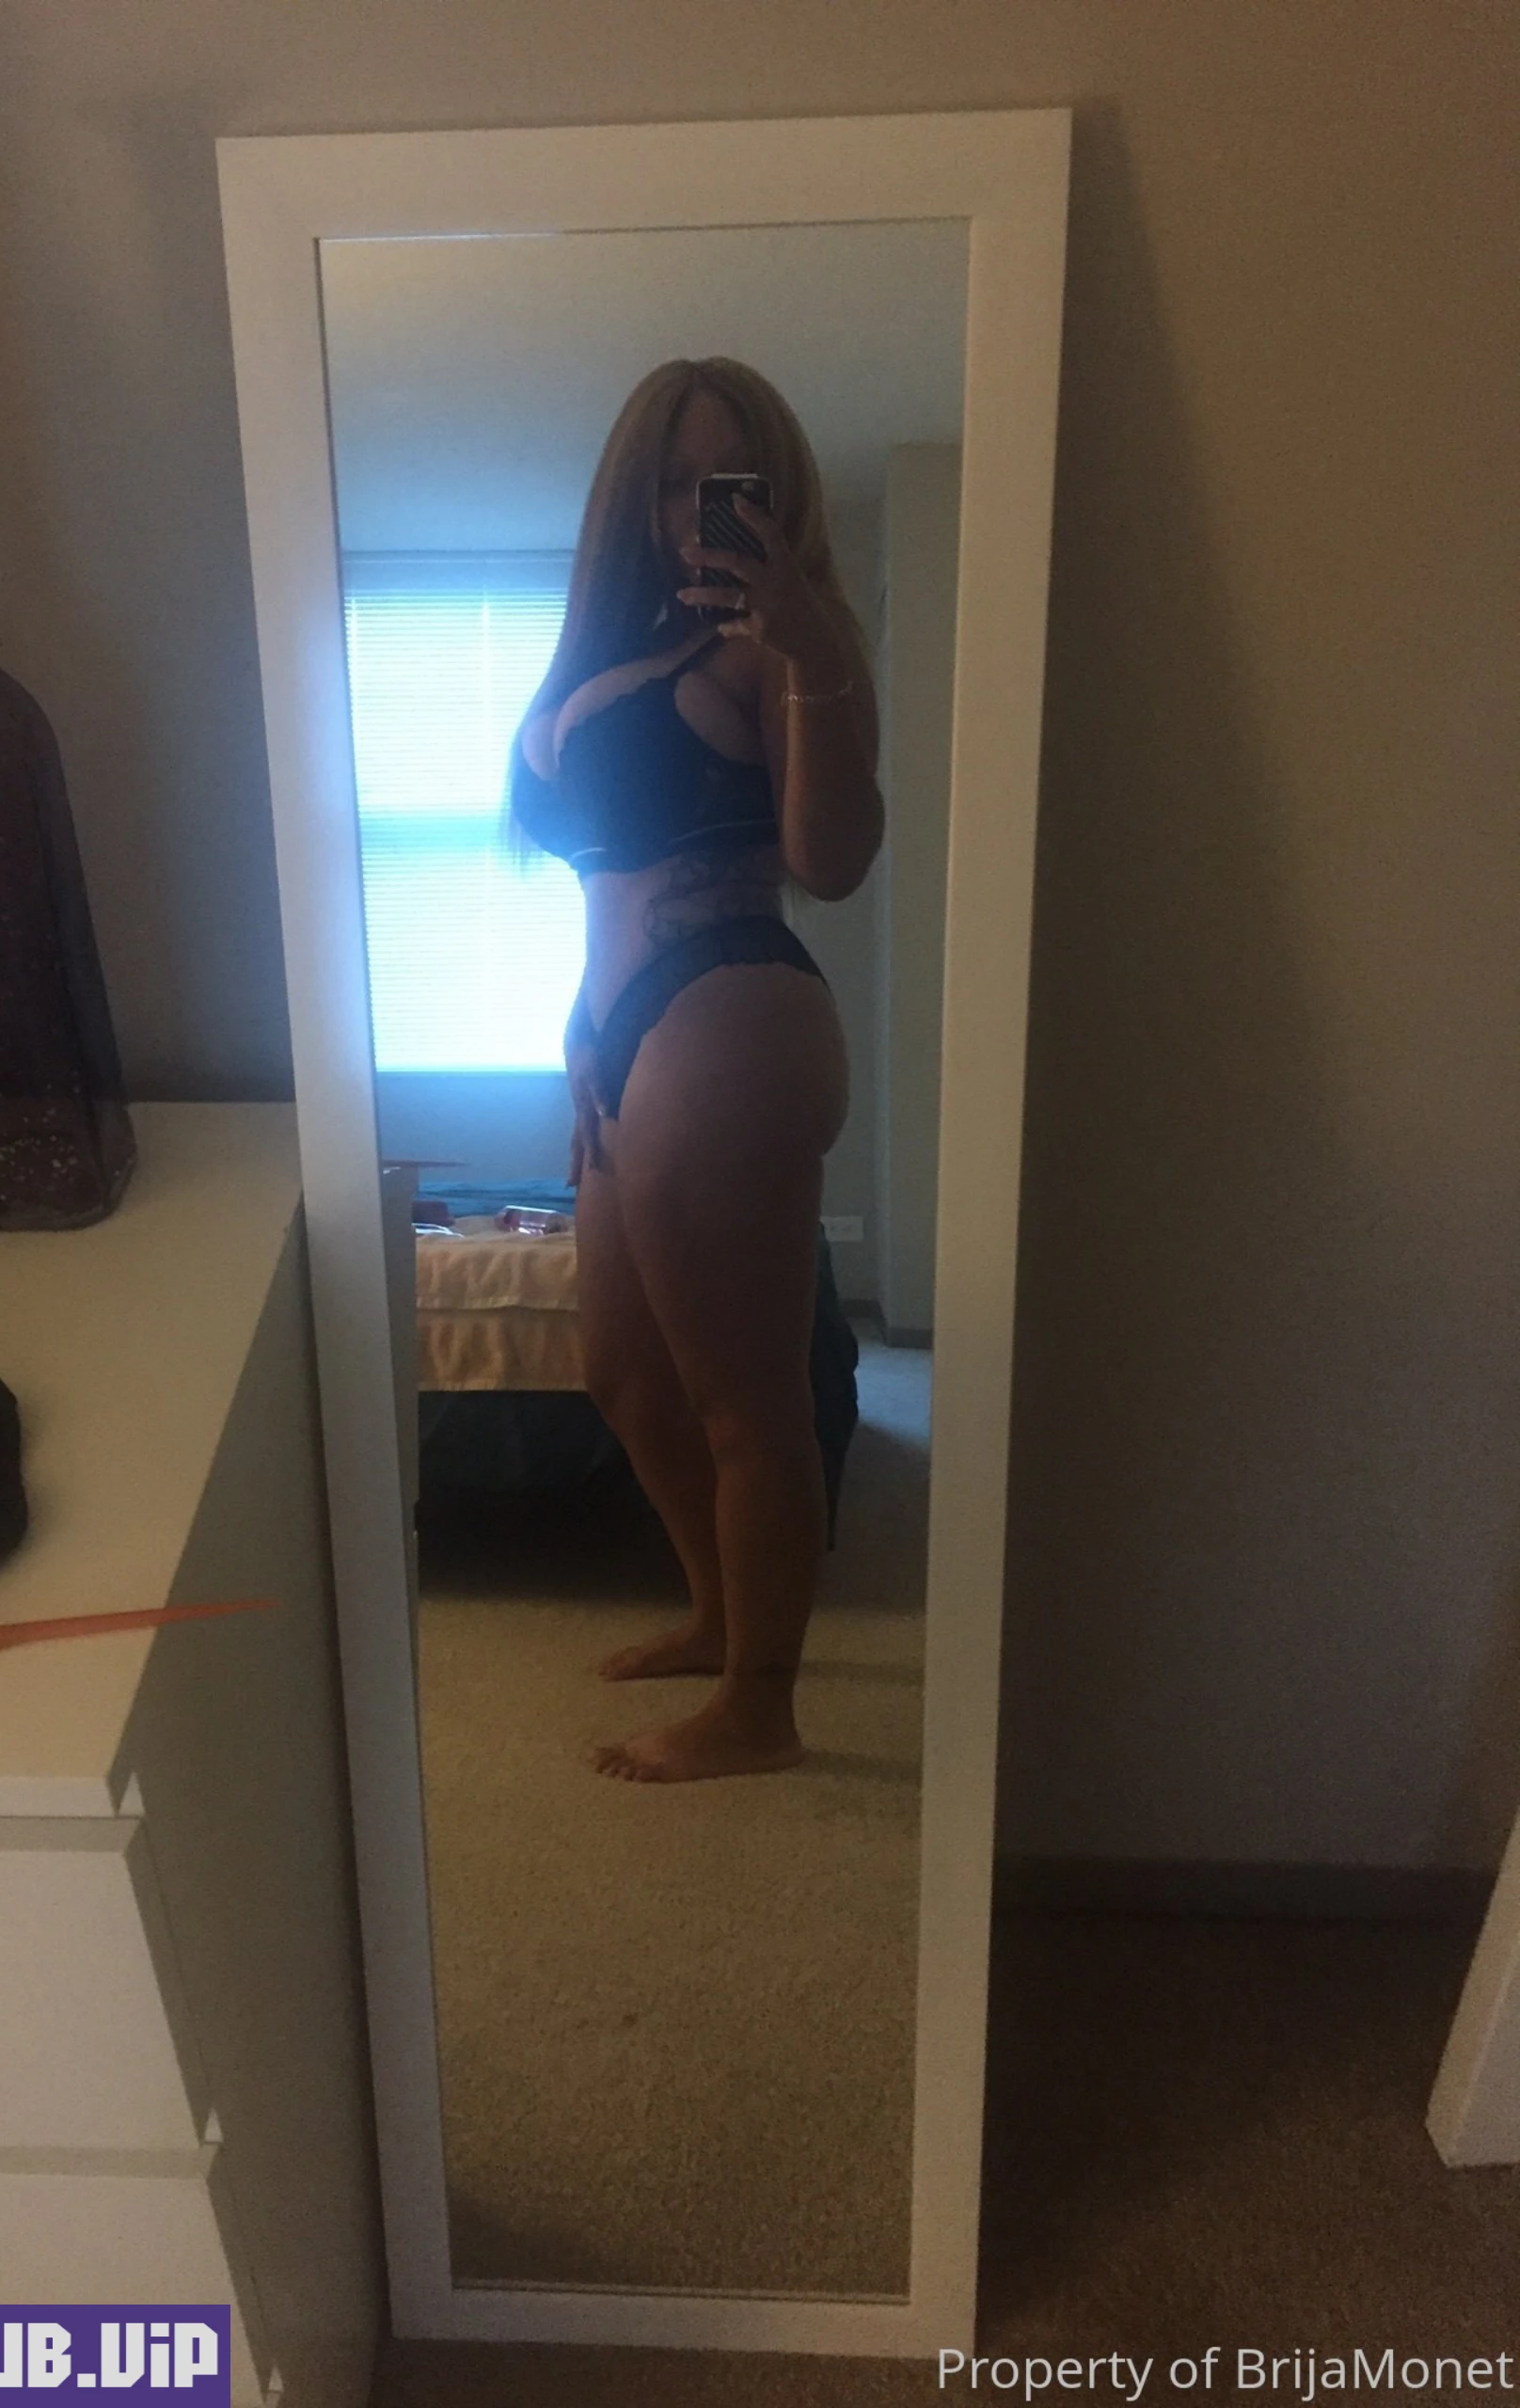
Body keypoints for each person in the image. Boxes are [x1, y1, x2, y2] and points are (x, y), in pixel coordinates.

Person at [508, 356, 883, 1781]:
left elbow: (831, 861)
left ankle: (759, 1710)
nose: (700, 511)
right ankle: (721, 1619)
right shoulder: (610, 649)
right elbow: (600, 868)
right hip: (621, 1036)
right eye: (673, 484)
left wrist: (812, 649)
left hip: (727, 1016)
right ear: (631, 499)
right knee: (623, 1373)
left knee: (748, 1401)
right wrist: (582, 1038)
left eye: (732, 482)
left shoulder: (777, 647)